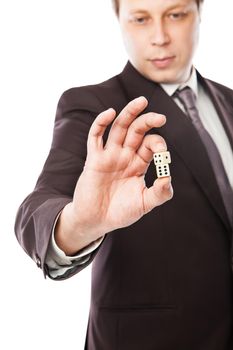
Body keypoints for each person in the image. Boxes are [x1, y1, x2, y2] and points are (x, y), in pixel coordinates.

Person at [15, 0, 233, 348]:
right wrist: (81, 222)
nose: (159, 37)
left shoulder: (229, 102)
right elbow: (39, 205)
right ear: (119, 20)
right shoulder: (93, 107)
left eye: (175, 15)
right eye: (141, 19)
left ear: (200, 11)